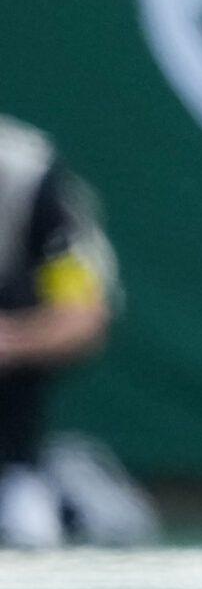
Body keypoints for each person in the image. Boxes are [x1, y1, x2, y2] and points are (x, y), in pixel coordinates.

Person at [0, 117, 117, 549]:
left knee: (23, 298)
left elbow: (82, 315)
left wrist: (11, 339)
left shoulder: (29, 181)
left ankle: (19, 478)